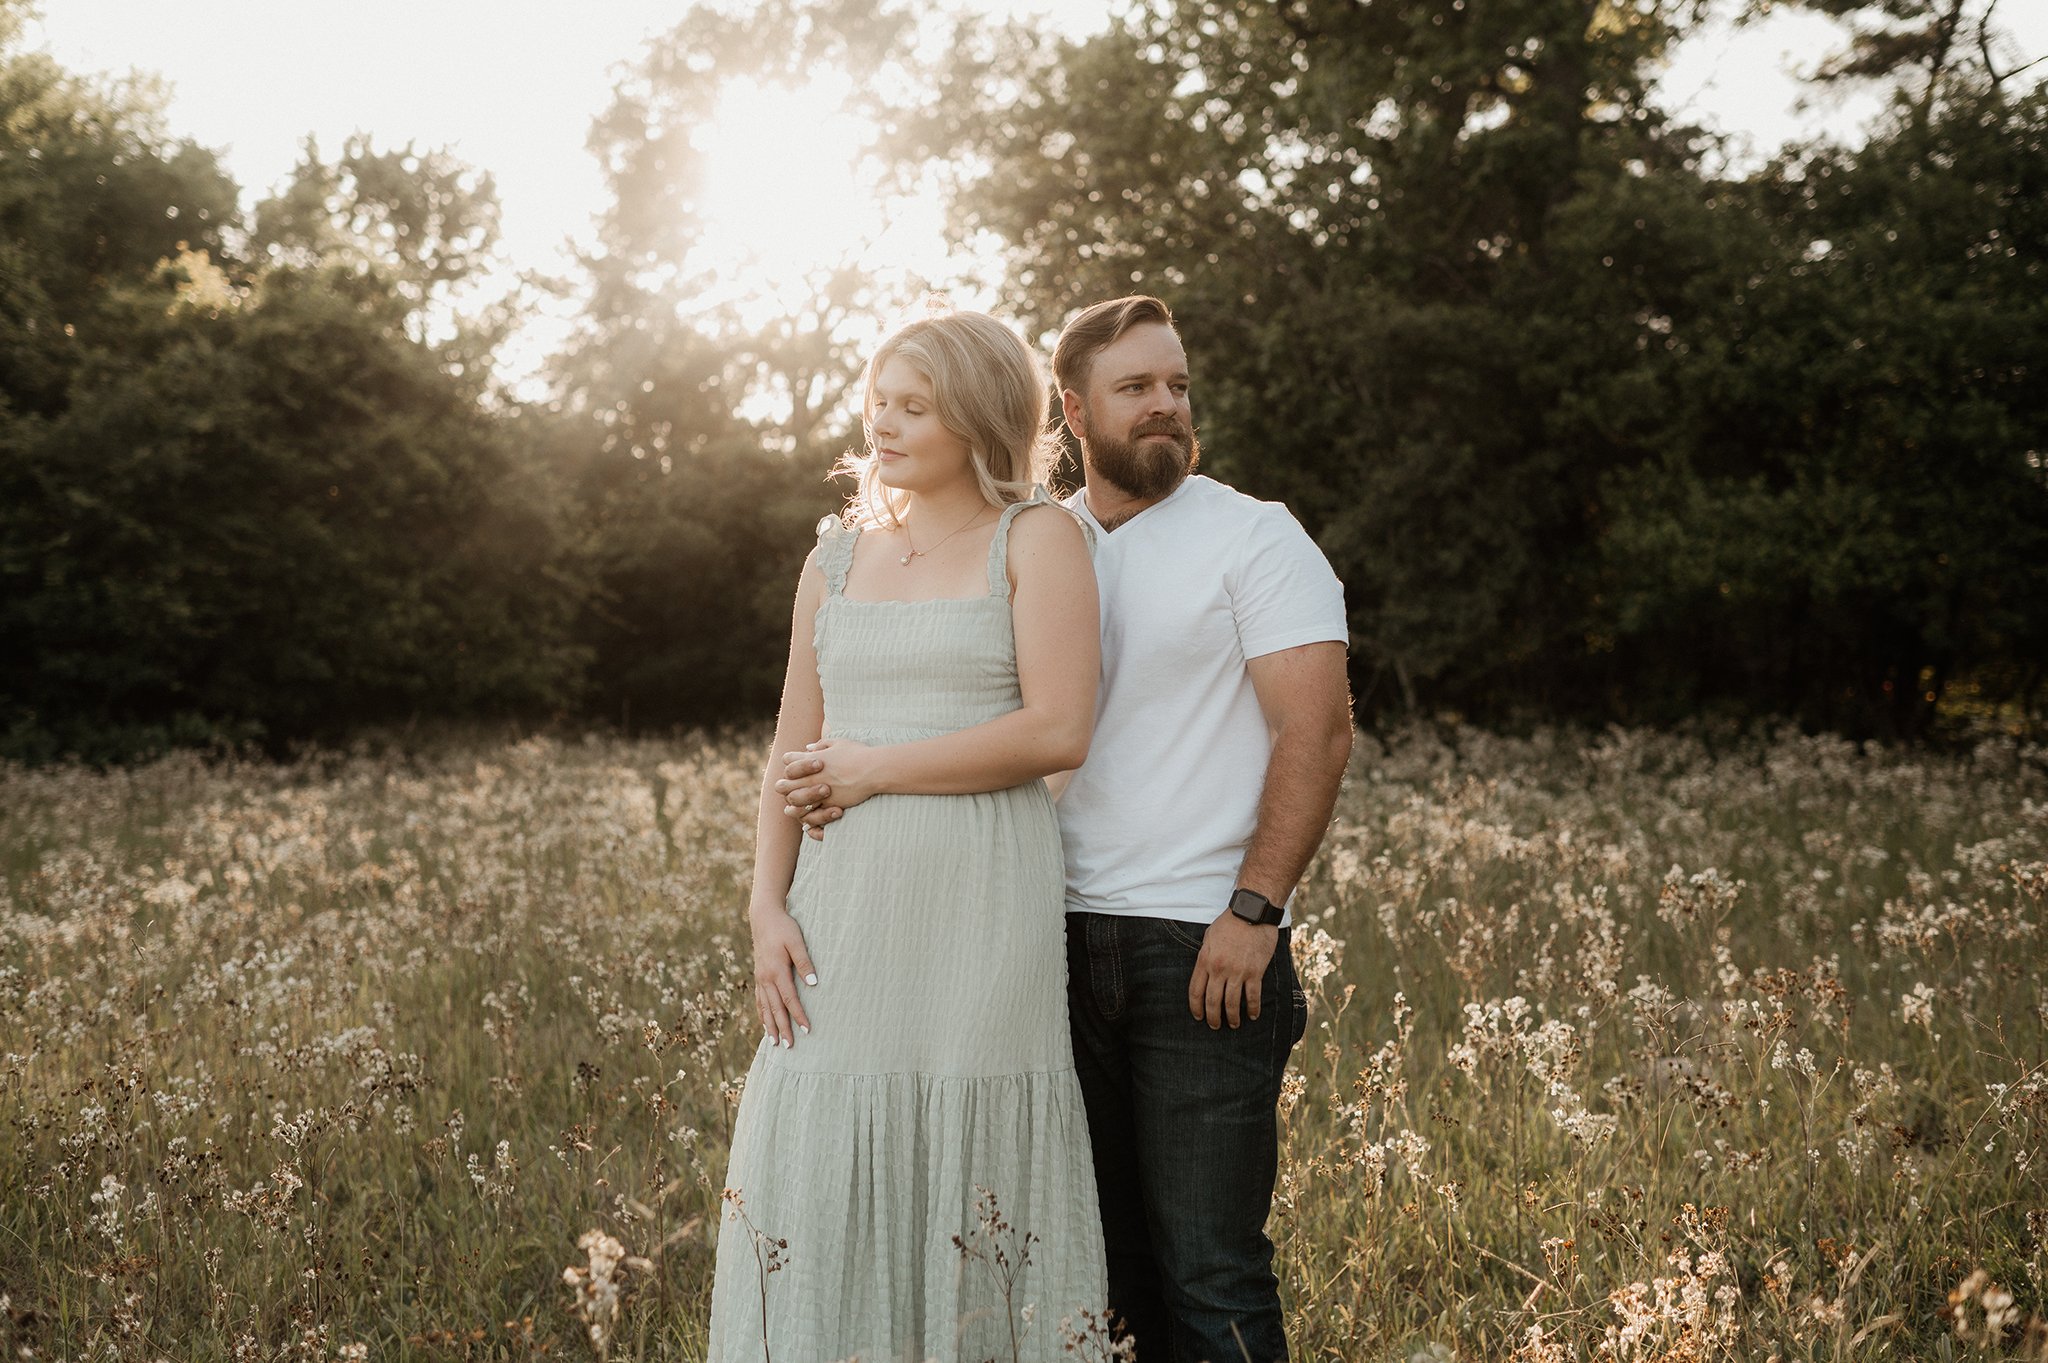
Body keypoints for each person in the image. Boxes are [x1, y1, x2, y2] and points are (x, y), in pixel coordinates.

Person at [786, 295, 1352, 1361]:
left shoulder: (1253, 535)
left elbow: (1315, 735)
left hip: (1197, 943)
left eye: (1177, 385)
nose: (1166, 407)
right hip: (1037, 940)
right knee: (1093, 1272)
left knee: (1209, 1266)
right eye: (1136, 387)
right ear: (1074, 410)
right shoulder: (1037, 541)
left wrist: (1254, 908)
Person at [706, 310, 1107, 1360]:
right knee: (822, 1128)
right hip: (843, 907)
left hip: (979, 893)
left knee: (965, 1135)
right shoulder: (833, 562)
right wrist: (763, 908)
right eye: (878, 399)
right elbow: (792, 748)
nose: (882, 422)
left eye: (912, 405)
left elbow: (1058, 727)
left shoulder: (1037, 537)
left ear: (976, 416)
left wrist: (875, 767)